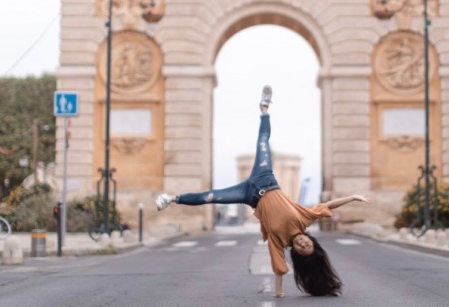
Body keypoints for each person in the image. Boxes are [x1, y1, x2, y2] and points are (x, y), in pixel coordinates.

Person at [156, 85, 370, 297]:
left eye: (303, 249)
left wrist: (278, 293)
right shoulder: (304, 219)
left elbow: (278, 266)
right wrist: (352, 197)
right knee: (263, 143)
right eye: (308, 244)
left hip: (249, 195)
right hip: (265, 179)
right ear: (310, 239)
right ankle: (265, 108)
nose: (304, 244)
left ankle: (171, 198)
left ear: (295, 252)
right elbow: (328, 206)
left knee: (210, 197)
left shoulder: (279, 241)